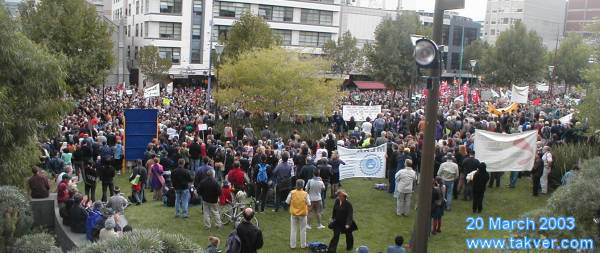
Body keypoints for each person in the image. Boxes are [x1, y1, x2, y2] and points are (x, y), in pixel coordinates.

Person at [286, 179, 311, 249]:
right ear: (303, 185)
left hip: (293, 213)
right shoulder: (305, 194)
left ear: (296, 185)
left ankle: (292, 245)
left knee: (293, 229)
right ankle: (303, 245)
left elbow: (287, 202)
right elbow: (309, 203)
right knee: (303, 230)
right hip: (303, 214)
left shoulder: (292, 192)